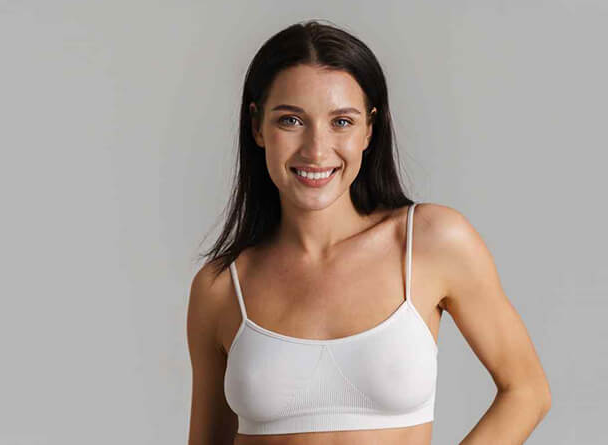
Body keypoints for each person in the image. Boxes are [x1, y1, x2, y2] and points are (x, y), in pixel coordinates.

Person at [186, 20, 551, 445]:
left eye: (342, 121)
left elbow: (527, 391)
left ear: (369, 130)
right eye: (291, 120)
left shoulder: (430, 242)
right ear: (257, 127)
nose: (316, 150)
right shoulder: (221, 288)